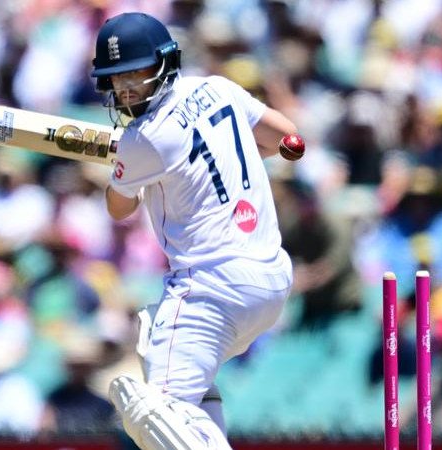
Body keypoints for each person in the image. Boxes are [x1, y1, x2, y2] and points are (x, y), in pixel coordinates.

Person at [89, 12, 300, 450]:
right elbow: (286, 137)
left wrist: (121, 169)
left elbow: (118, 208)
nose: (127, 89)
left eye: (137, 74)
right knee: (173, 373)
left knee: (155, 411)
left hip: (210, 288)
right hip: (272, 279)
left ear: (165, 61)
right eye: (117, 79)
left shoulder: (143, 139)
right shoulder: (216, 87)